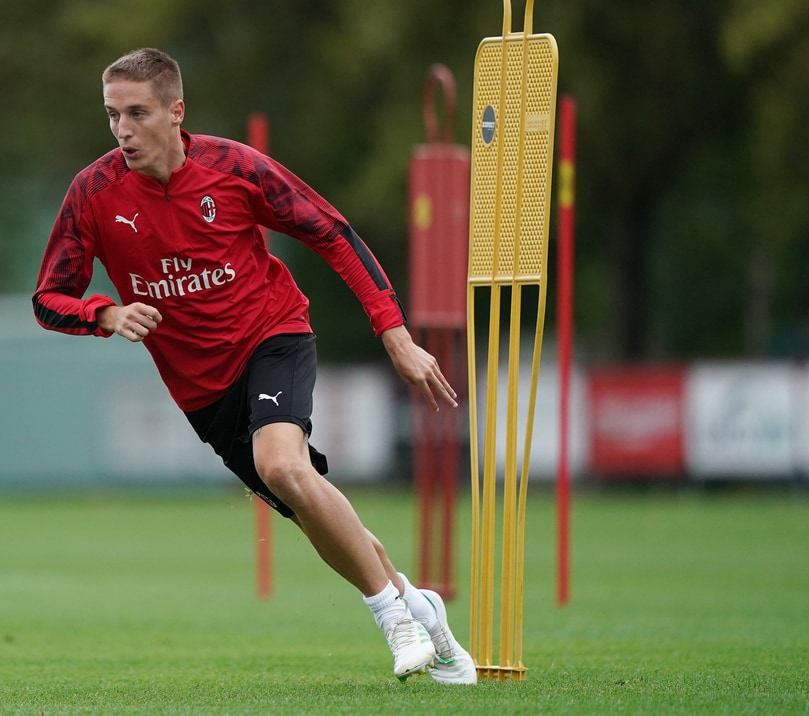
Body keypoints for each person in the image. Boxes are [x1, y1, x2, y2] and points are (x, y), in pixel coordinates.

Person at [32, 47, 476, 685]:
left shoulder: (234, 167)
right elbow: (48, 298)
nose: (121, 130)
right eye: (112, 115)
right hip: (202, 394)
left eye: (136, 113)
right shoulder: (93, 193)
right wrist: (104, 313)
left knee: (282, 466)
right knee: (309, 502)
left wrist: (394, 332)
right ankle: (421, 608)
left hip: (273, 336)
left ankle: (393, 621)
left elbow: (332, 232)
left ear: (176, 111)